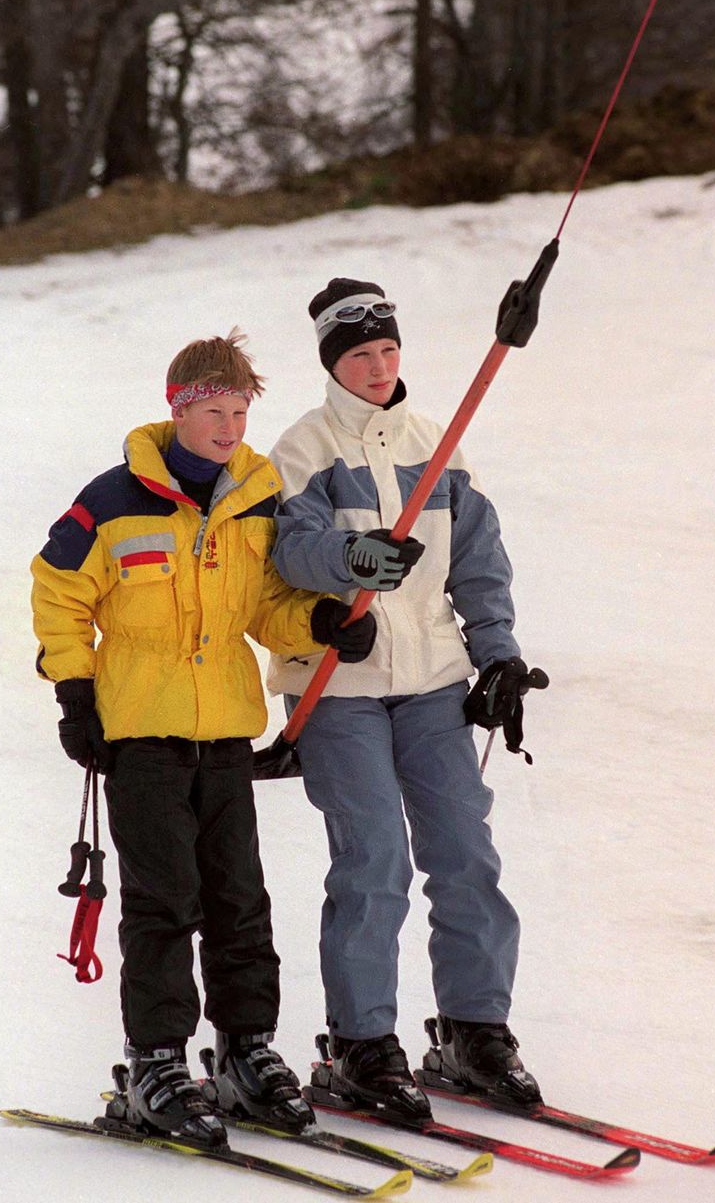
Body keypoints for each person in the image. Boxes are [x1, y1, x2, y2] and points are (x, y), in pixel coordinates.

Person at [30, 329, 376, 1144]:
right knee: (164, 901)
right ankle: (156, 1061)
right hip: (141, 736)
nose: (230, 428)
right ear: (178, 409)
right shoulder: (112, 500)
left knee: (238, 899)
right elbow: (58, 590)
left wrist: (320, 622)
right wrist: (75, 692)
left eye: (240, 412)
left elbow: (265, 605)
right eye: (215, 411)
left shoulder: (254, 499)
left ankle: (246, 1050)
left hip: (224, 734)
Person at [266, 280, 545, 1118]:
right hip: (339, 685)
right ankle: (362, 1043)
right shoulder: (303, 449)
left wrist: (497, 656)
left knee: (465, 851)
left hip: (431, 683)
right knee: (375, 857)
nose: (379, 367)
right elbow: (289, 548)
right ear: (332, 361)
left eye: (388, 349)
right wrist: (348, 559)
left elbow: (479, 562)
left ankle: (474, 1028)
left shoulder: (439, 445)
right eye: (361, 354)